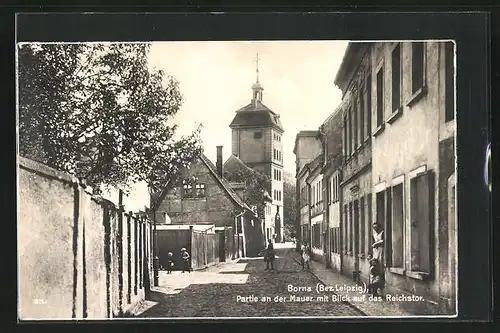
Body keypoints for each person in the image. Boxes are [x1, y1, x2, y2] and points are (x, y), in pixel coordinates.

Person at [369, 221, 385, 294]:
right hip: (375, 251)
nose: (375, 229)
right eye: (374, 228)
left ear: (379, 227)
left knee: (380, 267)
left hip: (381, 251)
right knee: (374, 267)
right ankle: (373, 287)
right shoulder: (374, 234)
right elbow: (372, 243)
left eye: (377, 227)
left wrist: (376, 244)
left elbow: (384, 241)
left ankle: (379, 286)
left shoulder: (383, 233)